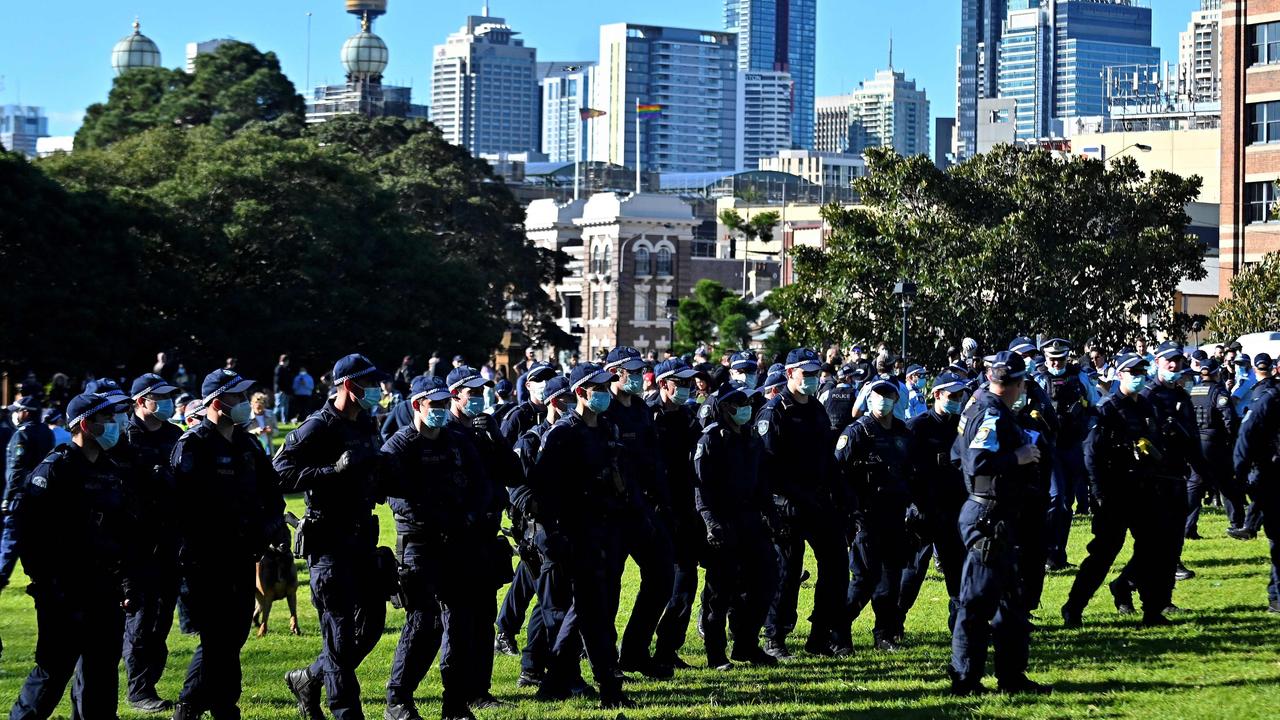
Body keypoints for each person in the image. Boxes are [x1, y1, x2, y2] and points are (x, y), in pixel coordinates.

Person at [9, 392, 139, 720]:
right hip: (64, 592)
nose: (115, 425)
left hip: (104, 590)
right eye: (107, 419)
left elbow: (123, 532)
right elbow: (28, 533)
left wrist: (127, 582)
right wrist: (48, 583)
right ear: (85, 424)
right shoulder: (55, 469)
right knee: (53, 671)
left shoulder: (111, 470)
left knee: (101, 675)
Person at [275, 355, 390, 720]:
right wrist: (330, 471)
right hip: (329, 541)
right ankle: (346, 712)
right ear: (347, 386)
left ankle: (309, 678)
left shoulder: (366, 421)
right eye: (368, 384)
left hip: (361, 537)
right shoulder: (317, 426)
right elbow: (279, 473)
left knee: (371, 624)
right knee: (339, 634)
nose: (376, 391)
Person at [170, 370, 286, 720]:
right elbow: (178, 507)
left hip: (242, 555)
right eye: (237, 398)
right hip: (205, 559)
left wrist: (273, 524)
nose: (245, 404)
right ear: (218, 402)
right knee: (216, 636)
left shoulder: (247, 444)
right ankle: (208, 705)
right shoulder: (193, 446)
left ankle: (207, 703)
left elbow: (271, 492)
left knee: (233, 634)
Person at [382, 375, 494, 720]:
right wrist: (438, 518)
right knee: (424, 623)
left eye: (447, 403)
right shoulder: (400, 446)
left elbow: (480, 484)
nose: (444, 410)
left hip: (459, 543)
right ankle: (398, 699)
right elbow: (397, 499)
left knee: (460, 624)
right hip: (420, 545)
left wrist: (472, 515)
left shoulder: (458, 442)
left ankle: (455, 702)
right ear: (418, 405)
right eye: (437, 405)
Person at [523, 363, 635, 709]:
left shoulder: (607, 429)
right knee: (579, 614)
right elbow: (543, 491)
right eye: (598, 387)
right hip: (567, 534)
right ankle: (601, 688)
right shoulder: (561, 435)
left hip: (599, 531)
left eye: (607, 386)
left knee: (588, 613)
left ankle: (562, 682)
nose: (604, 393)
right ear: (581, 393)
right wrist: (554, 532)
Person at [948, 351, 1050, 696]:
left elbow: (956, 454)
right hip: (987, 516)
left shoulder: (979, 404)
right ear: (1018, 384)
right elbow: (976, 460)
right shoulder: (992, 411)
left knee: (1012, 602)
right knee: (977, 603)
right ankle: (966, 681)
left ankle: (1012, 677)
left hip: (997, 513)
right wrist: (1017, 457)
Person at [1062, 353, 1177, 627]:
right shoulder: (1107, 409)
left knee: (1153, 548)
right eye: (1132, 372)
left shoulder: (1146, 407)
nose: (1138, 376)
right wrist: (1099, 494)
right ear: (1120, 376)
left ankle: (1152, 610)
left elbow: (1156, 443)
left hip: (1143, 490)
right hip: (1114, 493)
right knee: (1104, 553)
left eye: (1141, 371)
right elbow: (1091, 454)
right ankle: (1073, 607)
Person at [760, 348, 848, 659]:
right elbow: (768, 468)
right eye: (805, 373)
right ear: (790, 375)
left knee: (837, 568)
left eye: (814, 373)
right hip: (787, 506)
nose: (811, 379)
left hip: (820, 502)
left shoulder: (817, 410)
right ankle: (776, 637)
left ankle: (820, 635)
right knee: (787, 571)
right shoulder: (775, 412)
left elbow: (828, 459)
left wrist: (843, 498)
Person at [602, 346, 677, 679]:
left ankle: (635, 650)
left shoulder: (642, 409)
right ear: (615, 372)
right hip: (612, 512)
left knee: (662, 577)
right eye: (630, 370)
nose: (637, 375)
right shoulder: (603, 411)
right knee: (608, 590)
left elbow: (653, 459)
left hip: (644, 508)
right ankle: (604, 660)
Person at [693, 382, 779, 669]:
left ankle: (747, 645)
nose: (746, 408)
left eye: (748, 403)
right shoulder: (711, 440)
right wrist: (709, 522)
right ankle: (716, 654)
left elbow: (761, 482)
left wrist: (771, 514)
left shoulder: (752, 438)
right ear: (726, 407)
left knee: (765, 581)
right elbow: (700, 487)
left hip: (752, 521)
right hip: (723, 521)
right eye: (739, 403)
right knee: (720, 592)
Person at [441, 365, 512, 710]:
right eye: (472, 392)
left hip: (486, 536)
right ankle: (455, 696)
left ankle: (479, 691)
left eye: (483, 391)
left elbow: (516, 473)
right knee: (457, 623)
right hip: (456, 539)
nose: (480, 398)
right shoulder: (445, 431)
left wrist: (496, 440)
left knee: (484, 618)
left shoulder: (485, 430)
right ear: (454, 394)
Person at [834, 379, 912, 651]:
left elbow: (910, 473)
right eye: (878, 394)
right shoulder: (857, 432)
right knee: (864, 580)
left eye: (888, 395)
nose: (883, 399)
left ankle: (884, 635)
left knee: (890, 580)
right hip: (865, 516)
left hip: (895, 515)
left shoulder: (902, 432)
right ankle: (838, 633)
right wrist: (849, 513)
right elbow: (837, 475)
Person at [122, 373, 184, 713]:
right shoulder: (124, 439)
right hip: (137, 544)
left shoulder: (175, 435)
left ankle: (149, 681)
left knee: (162, 620)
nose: (166, 403)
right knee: (141, 620)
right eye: (158, 397)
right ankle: (139, 690)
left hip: (170, 542)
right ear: (140, 401)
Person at [506, 376, 573, 689]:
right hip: (543, 532)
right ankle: (541, 669)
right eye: (567, 399)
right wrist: (540, 512)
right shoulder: (532, 440)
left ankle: (533, 666)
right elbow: (516, 486)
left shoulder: (575, 435)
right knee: (552, 604)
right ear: (555, 401)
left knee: (553, 601)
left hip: (571, 528)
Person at [899, 373, 969, 633]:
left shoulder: (961, 425)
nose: (957, 400)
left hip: (954, 509)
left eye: (960, 396)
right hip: (924, 510)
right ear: (937, 394)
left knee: (958, 571)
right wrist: (913, 505)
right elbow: (903, 467)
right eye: (952, 396)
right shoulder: (917, 426)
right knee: (913, 572)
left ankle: (960, 624)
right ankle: (894, 622)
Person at [647, 358, 703, 669]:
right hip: (652, 507)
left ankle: (667, 646)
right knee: (655, 583)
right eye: (679, 383)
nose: (686, 388)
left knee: (685, 578)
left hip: (684, 506)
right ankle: (632, 649)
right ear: (663, 384)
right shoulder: (647, 415)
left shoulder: (689, 416)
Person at [1034, 339, 1096, 572]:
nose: (1056, 362)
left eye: (1060, 358)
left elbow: (1094, 407)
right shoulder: (1038, 379)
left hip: (1073, 446)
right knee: (1056, 499)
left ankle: (1058, 554)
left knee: (1067, 505)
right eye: (1052, 358)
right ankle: (1047, 552)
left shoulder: (1078, 377)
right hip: (1049, 448)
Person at [1232, 374, 1280, 613]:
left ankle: (1275, 594)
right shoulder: (1269, 400)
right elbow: (1245, 437)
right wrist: (1238, 478)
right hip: (1271, 476)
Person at [1186, 359, 1242, 541]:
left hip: (1194, 443)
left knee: (1195, 485)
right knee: (1226, 483)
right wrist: (1230, 440)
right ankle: (1237, 524)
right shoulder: (1218, 392)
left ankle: (1187, 526)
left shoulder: (1192, 391)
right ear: (1217, 373)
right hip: (1214, 444)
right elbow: (1229, 420)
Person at [499, 362, 557, 446]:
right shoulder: (518, 416)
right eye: (538, 379)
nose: (544, 382)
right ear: (528, 385)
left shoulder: (561, 411)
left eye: (549, 378)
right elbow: (502, 450)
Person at [820, 364, 858, 432]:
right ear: (847, 378)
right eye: (852, 377)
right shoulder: (856, 393)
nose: (854, 380)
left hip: (829, 433)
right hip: (849, 433)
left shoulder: (827, 393)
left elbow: (819, 412)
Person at [248, 391, 278, 456]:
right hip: (252, 450)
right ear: (251, 403)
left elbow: (277, 432)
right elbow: (244, 434)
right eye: (256, 402)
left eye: (262, 402)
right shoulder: (247, 416)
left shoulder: (271, 414)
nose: (258, 405)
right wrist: (256, 431)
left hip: (268, 450)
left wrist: (271, 430)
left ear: (265, 404)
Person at [273, 355, 293, 425]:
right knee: (278, 406)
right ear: (285, 361)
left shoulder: (285, 369)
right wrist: (281, 390)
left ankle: (284, 421)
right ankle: (270, 419)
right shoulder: (279, 368)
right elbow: (277, 381)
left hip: (285, 391)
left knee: (285, 407)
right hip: (280, 391)